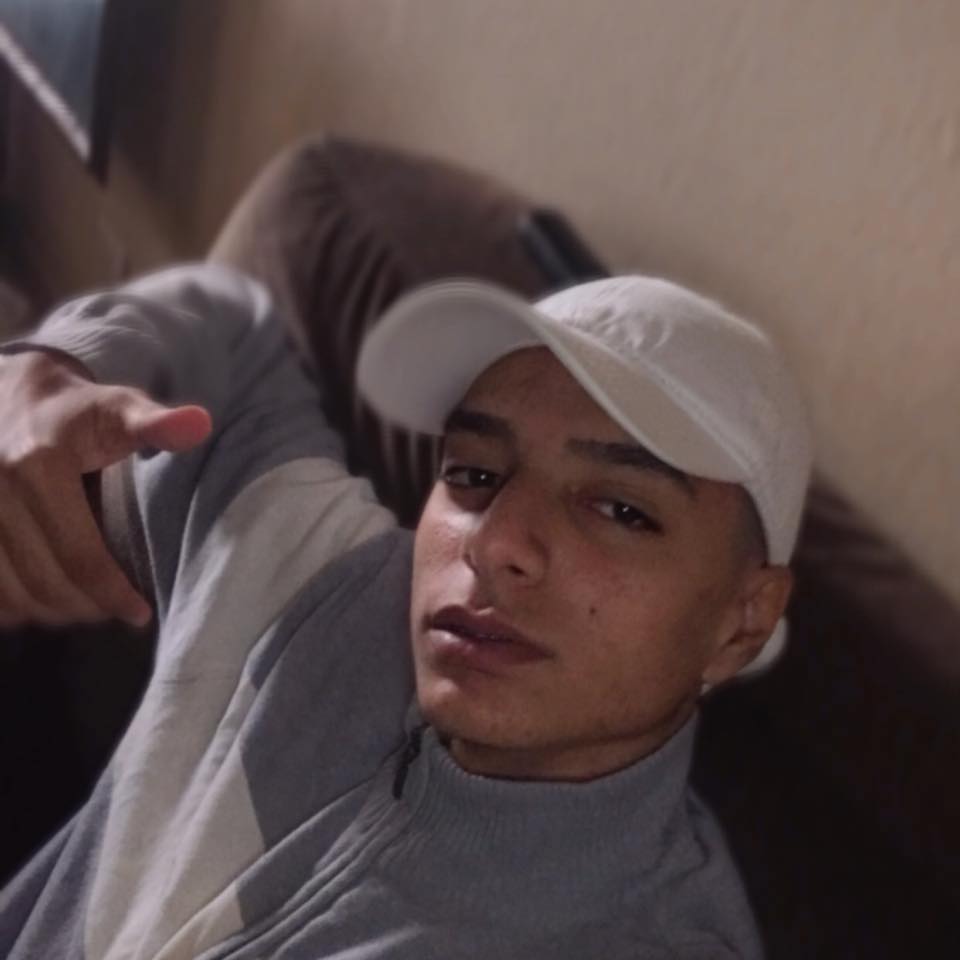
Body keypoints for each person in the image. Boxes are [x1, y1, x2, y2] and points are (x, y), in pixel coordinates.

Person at [0, 264, 810, 959]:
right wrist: (47, 369)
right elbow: (224, 327)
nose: (495, 543)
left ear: (742, 622)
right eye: (474, 473)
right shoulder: (323, 580)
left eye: (622, 511)